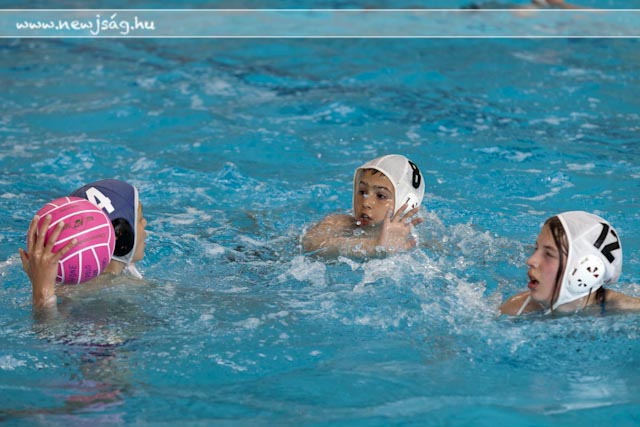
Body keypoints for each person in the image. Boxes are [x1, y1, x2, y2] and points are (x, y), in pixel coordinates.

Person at [19, 179, 147, 311]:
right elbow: (48, 324)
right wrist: (42, 293)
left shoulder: (62, 288)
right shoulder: (77, 295)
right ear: (119, 233)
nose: (145, 223)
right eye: (140, 219)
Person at [500, 211, 640, 316]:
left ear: (587, 269)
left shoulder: (630, 311)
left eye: (549, 254)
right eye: (536, 249)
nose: (530, 260)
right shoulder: (515, 309)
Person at [302, 154, 425, 258]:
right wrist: (373, 247)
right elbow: (309, 244)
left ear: (407, 203)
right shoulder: (338, 223)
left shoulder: (415, 239)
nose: (366, 202)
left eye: (380, 196)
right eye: (362, 192)